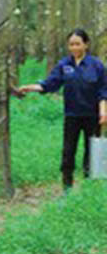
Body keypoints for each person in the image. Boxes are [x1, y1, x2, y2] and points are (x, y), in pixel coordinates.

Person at [18, 28, 107, 190]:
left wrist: (103, 111)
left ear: (86, 44)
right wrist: (29, 87)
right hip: (72, 115)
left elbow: (103, 91)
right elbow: (50, 84)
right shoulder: (64, 64)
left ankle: (90, 188)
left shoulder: (97, 65)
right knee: (68, 152)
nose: (74, 48)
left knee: (91, 151)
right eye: (71, 44)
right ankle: (67, 186)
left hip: (92, 116)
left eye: (77, 44)